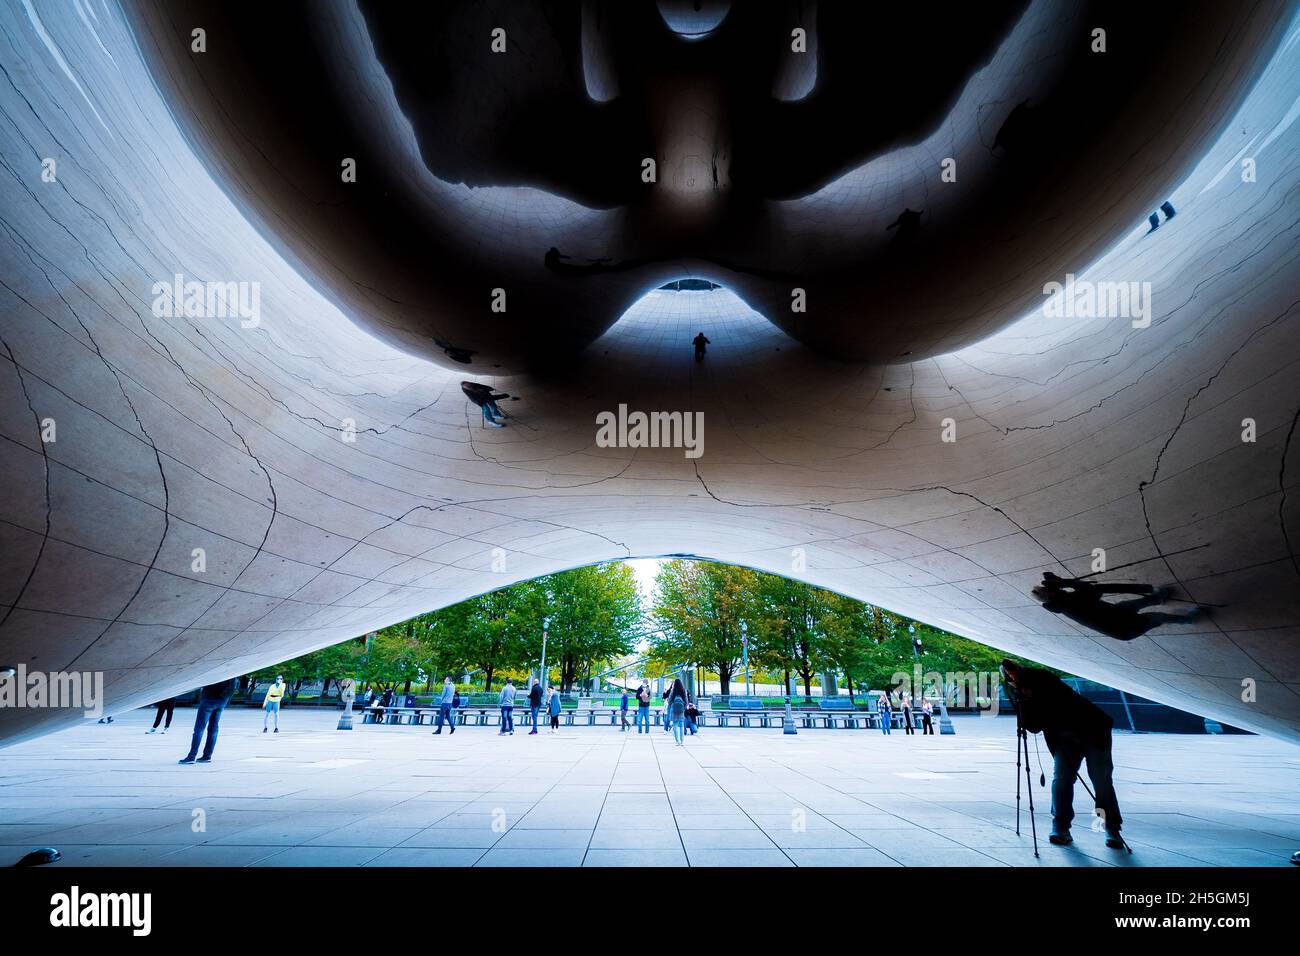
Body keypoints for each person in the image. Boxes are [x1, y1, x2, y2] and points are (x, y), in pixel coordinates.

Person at [1000, 659, 1124, 849]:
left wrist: (1031, 693)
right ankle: (1060, 826)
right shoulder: (1016, 691)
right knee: (1062, 779)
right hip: (1063, 738)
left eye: (1013, 672)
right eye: (1008, 675)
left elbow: (1057, 700)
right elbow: (1033, 726)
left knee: (1101, 779)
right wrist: (1024, 699)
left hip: (1093, 730)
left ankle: (1111, 827)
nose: (1012, 676)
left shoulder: (1041, 677)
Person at [1032, 573, 1202, 641]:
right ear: (1051, 594)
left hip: (1113, 614)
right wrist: (1067, 582)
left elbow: (1085, 592)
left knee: (1133, 604)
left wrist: (1062, 584)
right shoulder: (1071, 603)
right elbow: (1093, 590)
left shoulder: (1061, 603)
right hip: (1123, 628)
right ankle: (1188, 619)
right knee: (1156, 618)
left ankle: (1159, 597)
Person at [179, 678, 238, 764]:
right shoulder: (230, 670)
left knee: (199, 729)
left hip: (209, 699)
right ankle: (207, 756)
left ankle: (191, 756)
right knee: (213, 729)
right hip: (222, 701)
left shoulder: (217, 671)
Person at [667, 679, 688, 745]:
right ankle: (682, 741)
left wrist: (672, 705)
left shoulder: (673, 691)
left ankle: (677, 741)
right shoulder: (683, 691)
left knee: (675, 725)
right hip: (681, 710)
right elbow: (686, 701)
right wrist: (684, 707)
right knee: (681, 726)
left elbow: (669, 700)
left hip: (674, 710)